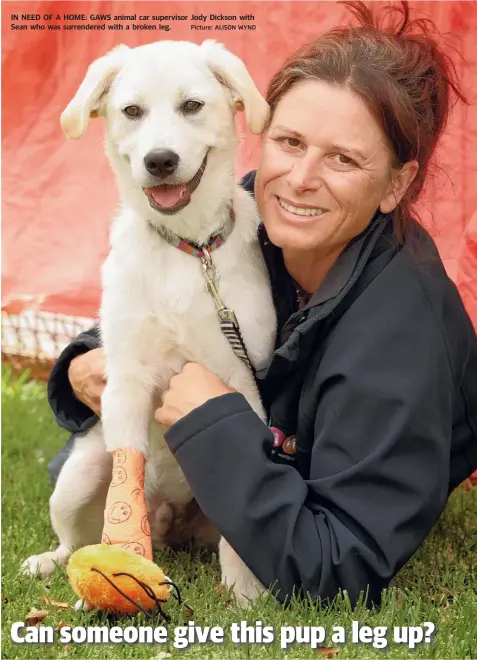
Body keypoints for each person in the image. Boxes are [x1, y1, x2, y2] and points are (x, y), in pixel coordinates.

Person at [46, 1, 477, 607]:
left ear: (397, 184)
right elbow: (160, 307)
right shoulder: (245, 217)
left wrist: (211, 422)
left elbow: (341, 562)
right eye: (290, 141)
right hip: (195, 473)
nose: (300, 178)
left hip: (292, 503)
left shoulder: (400, 338)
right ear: (261, 130)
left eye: (343, 159)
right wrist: (84, 362)